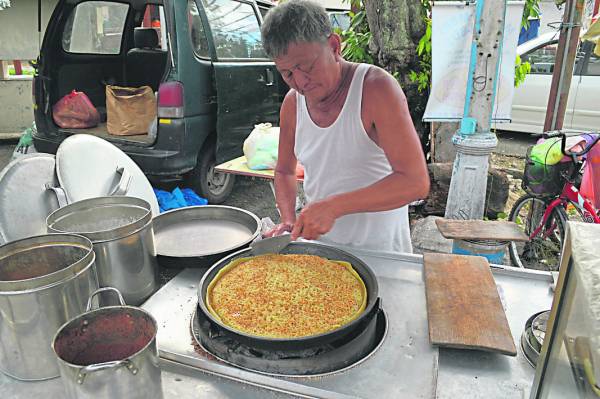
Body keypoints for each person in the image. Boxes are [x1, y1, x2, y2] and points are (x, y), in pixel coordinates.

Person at [261, 0, 430, 253]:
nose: (300, 82)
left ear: (334, 46)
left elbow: (415, 182)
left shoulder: (375, 89)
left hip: (381, 253)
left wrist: (333, 207)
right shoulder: (292, 105)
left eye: (306, 67)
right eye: (287, 74)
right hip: (320, 252)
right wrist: (288, 219)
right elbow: (284, 171)